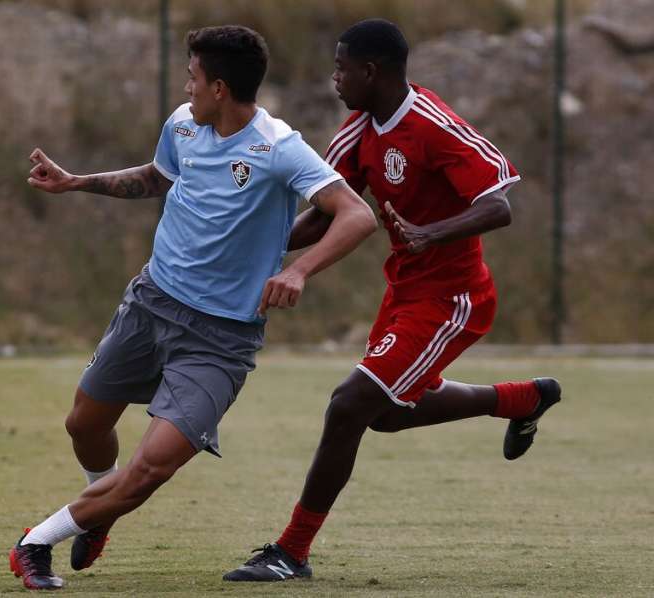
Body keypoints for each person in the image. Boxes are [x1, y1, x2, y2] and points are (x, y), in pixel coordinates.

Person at [9, 25, 377, 590]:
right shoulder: (184, 124)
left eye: (194, 78)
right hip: (151, 303)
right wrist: (77, 182)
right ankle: (99, 507)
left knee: (150, 470)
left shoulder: (278, 147)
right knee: (83, 424)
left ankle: (35, 544)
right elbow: (158, 176)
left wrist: (299, 269)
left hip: (220, 339)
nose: (187, 87)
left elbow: (355, 214)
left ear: (221, 88)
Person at [223, 19, 562, 582]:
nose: (334, 78)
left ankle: (291, 551)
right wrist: (261, 246)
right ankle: (523, 399)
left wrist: (432, 233)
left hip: (454, 298)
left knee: (348, 404)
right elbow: (330, 210)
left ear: (370, 71)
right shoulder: (359, 131)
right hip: (404, 292)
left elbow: (499, 205)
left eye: (341, 68)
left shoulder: (434, 125)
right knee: (383, 416)